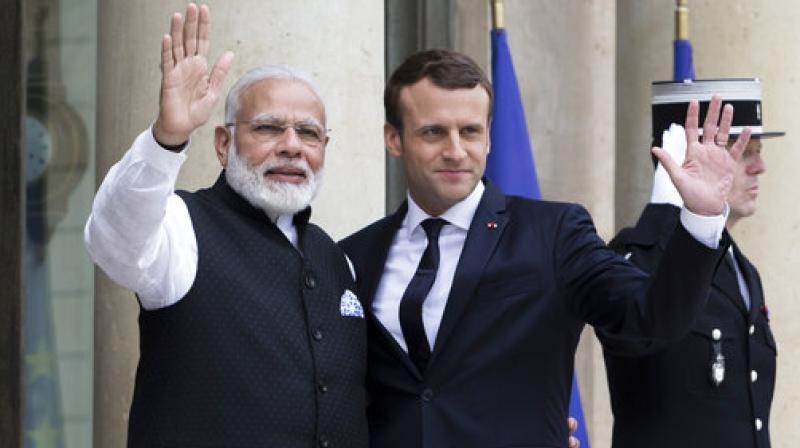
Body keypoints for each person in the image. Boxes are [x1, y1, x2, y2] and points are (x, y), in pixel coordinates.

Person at [339, 49, 747, 448]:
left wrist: (700, 217)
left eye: (470, 131)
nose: (455, 151)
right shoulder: (352, 257)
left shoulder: (553, 233)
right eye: (433, 132)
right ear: (394, 139)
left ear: (489, 137)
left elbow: (649, 318)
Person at [84, 4, 367, 447]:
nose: (292, 146)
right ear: (223, 143)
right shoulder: (180, 227)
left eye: (309, 134)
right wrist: (166, 138)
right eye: (269, 128)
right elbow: (112, 240)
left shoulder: (336, 260)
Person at [601, 79, 782, 448]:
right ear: (687, 156)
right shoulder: (638, 256)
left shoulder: (741, 268)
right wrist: (678, 214)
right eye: (743, 151)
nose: (760, 167)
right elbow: (638, 334)